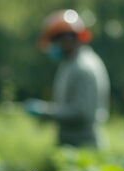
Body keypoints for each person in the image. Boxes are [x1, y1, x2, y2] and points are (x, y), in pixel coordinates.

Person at [25, 9, 110, 149]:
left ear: (67, 40)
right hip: (70, 144)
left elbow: (81, 112)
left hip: (83, 148)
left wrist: (45, 111)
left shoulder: (83, 67)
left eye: (54, 42)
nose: (52, 47)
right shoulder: (70, 64)